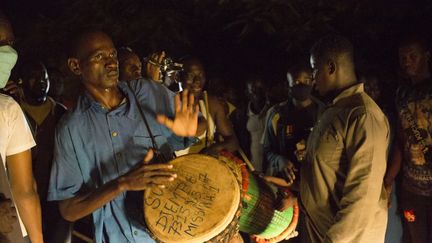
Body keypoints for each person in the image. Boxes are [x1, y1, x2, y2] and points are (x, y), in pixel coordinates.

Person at [47, 30, 203, 243]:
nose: (111, 63)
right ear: (76, 66)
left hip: (175, 230)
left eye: (112, 55)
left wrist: (190, 130)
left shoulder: (147, 92)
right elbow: (68, 209)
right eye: (99, 57)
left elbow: (200, 124)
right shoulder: (71, 128)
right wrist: (122, 184)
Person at [301, 35, 390, 243]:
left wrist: (334, 240)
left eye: (315, 69)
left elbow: (363, 195)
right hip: (324, 231)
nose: (313, 79)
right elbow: (325, 174)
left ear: (330, 67)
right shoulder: (335, 110)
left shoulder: (363, 115)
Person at [0, 15, 44, 243]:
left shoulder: (8, 108)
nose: (7, 52)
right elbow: (24, 190)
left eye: (10, 44)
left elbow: (25, 190)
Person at [385, 34, 432, 243]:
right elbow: (401, 141)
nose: (406, 62)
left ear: (426, 56)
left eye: (412, 56)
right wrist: (388, 180)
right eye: (403, 58)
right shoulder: (401, 94)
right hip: (412, 188)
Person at [17, 60, 70, 243]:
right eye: (33, 77)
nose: (41, 81)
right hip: (23, 196)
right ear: (21, 81)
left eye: (44, 77)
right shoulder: (13, 112)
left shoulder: (61, 114)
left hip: (56, 196)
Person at [262, 63, 316, 186]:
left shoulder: (323, 112)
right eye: (296, 82)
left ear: (313, 82)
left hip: (313, 186)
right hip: (284, 184)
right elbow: (267, 149)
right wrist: (279, 160)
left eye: (306, 80)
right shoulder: (276, 114)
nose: (302, 85)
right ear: (288, 85)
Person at [176, 57, 239, 156]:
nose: (197, 81)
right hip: (176, 168)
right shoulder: (169, 103)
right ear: (178, 77)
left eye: (201, 75)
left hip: (205, 169)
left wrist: (216, 147)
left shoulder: (211, 103)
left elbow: (233, 142)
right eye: (191, 76)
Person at [245, 77, 270, 172]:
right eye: (253, 89)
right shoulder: (242, 114)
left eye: (260, 89)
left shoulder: (274, 112)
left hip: (271, 171)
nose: (257, 93)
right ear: (247, 93)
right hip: (250, 168)